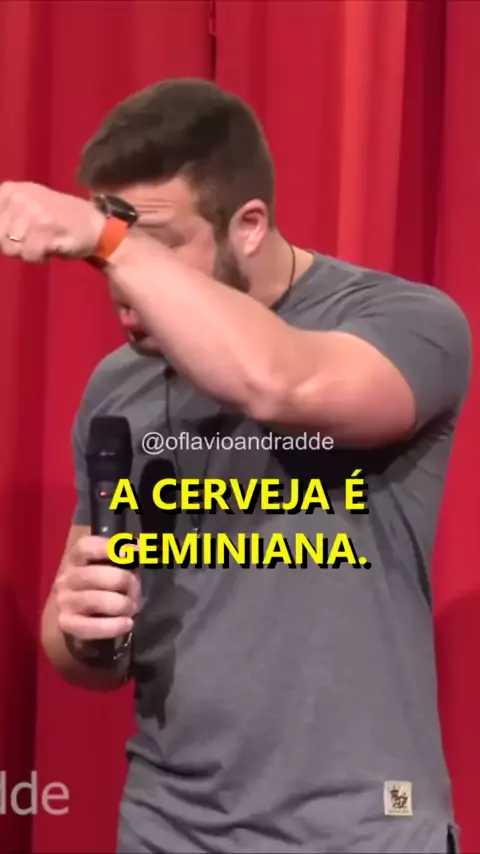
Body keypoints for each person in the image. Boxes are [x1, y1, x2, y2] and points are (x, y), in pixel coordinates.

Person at [0, 79, 470, 854]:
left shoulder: (403, 322)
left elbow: (282, 383)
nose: (118, 278)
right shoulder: (118, 386)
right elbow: (79, 651)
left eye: (153, 240)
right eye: (107, 241)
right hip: (169, 828)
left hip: (362, 830)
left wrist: (107, 239)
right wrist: (82, 628)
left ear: (248, 225)